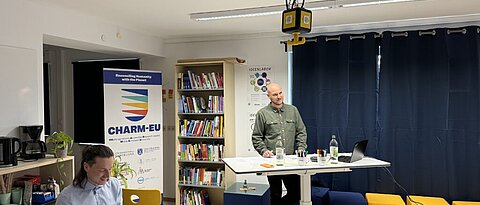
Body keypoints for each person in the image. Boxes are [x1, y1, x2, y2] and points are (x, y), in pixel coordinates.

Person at [252, 82, 307, 205]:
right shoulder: (262, 113)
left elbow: (301, 131)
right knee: (276, 194)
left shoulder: (293, 110)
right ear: (269, 96)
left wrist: (301, 147)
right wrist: (263, 151)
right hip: (272, 162)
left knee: (296, 193)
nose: (279, 96)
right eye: (275, 94)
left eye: (280, 93)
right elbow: (257, 137)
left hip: (290, 161)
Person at [56, 145, 122, 205]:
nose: (107, 175)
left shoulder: (114, 185)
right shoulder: (67, 197)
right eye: (102, 170)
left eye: (110, 169)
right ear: (86, 167)